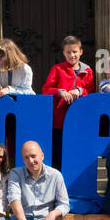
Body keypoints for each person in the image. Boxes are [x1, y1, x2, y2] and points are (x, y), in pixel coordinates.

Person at [41, 35, 95, 166]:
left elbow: (91, 92)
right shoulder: (57, 69)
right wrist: (60, 92)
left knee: (76, 153)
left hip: (79, 119)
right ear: (64, 53)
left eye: (75, 52)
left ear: (81, 51)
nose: (72, 55)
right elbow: (46, 89)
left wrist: (80, 91)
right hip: (59, 119)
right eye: (68, 52)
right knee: (57, 153)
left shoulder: (87, 71)